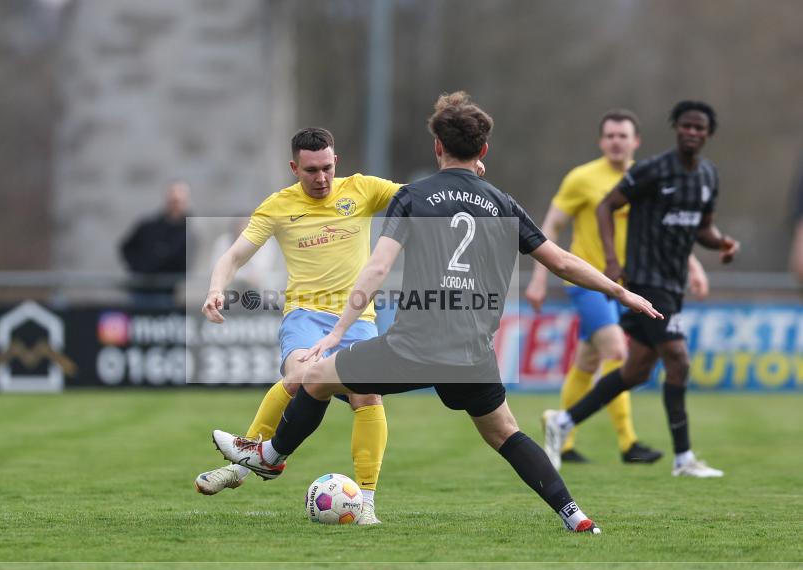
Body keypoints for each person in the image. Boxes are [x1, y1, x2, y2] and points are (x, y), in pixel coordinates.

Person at [211, 91, 663, 534]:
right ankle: (574, 514)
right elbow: (562, 261)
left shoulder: (415, 198)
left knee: (314, 378)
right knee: (505, 432)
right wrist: (619, 293)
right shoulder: (503, 203)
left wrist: (337, 332)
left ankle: (270, 457)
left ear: (437, 148)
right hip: (472, 353)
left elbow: (377, 268)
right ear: (482, 150)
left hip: (412, 347)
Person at [198, 127, 459, 524]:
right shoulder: (278, 205)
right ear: (294, 168)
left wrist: (462, 177)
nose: (320, 178)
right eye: (310, 170)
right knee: (302, 373)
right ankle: (243, 463)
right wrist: (216, 288)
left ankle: (365, 501)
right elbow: (234, 256)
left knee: (367, 395)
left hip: (356, 321)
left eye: (326, 168)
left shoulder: (363, 189)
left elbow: (421, 196)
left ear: (335, 161)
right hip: (305, 316)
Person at [542, 100, 740, 478]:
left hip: (673, 282)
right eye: (686, 126)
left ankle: (563, 421)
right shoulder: (652, 171)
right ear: (676, 128)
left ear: (708, 134)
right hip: (644, 281)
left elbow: (702, 230)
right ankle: (683, 459)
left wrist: (724, 244)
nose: (692, 132)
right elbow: (606, 206)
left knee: (633, 371)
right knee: (678, 360)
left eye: (700, 128)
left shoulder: (708, 176)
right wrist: (614, 262)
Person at [119, 181, 192, 309]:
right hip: (143, 289)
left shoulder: (192, 230)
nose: (175, 205)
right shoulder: (148, 226)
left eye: (178, 201)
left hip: (174, 291)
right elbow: (127, 248)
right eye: (173, 201)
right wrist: (139, 267)